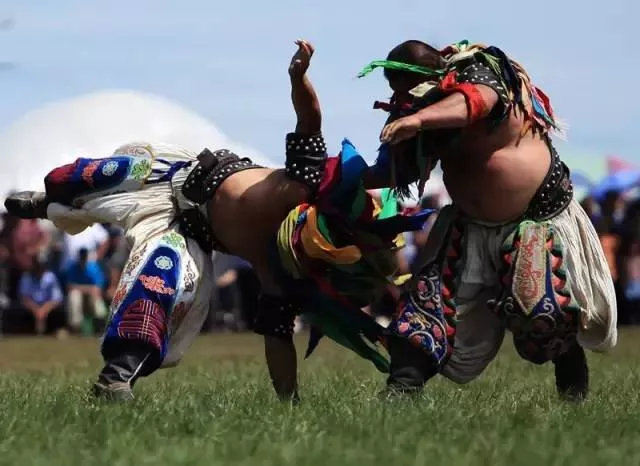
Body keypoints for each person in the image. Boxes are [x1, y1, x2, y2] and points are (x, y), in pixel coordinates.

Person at [5, 40, 429, 402]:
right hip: (175, 173)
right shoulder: (304, 183)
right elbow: (310, 118)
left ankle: (115, 377)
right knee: (91, 176)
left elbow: (278, 340)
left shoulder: (280, 273)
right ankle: (49, 201)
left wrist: (290, 404)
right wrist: (298, 77)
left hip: (185, 229)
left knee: (159, 280)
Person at [356, 39, 617, 401]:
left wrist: (417, 120)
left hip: (535, 220)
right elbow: (398, 172)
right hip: (469, 225)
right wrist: (338, 179)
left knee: (541, 311)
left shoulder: (482, 70)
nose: (400, 98)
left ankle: (571, 373)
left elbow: (476, 101)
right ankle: (403, 387)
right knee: (424, 305)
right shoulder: (419, 112)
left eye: (403, 88)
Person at [64, 247, 108, 334]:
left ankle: (101, 325)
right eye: (82, 256)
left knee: (96, 296)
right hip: (80, 297)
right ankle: (76, 327)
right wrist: (88, 289)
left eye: (84, 256)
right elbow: (69, 287)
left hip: (91, 297)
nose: (83, 258)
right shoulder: (73, 268)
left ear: (87, 256)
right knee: (74, 295)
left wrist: (80, 288)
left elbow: (98, 288)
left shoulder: (93, 267)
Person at [18, 256, 64, 335]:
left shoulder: (50, 277)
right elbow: (24, 298)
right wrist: (36, 310)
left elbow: (57, 299)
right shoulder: (26, 277)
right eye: (37, 265)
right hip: (31, 310)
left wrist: (43, 309)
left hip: (48, 309)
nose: (39, 268)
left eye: (41, 265)